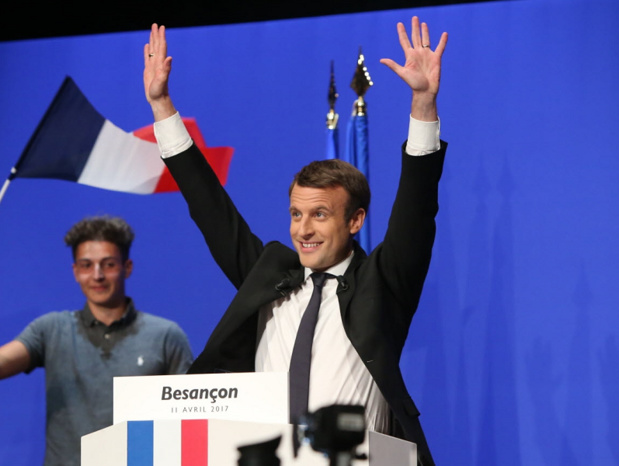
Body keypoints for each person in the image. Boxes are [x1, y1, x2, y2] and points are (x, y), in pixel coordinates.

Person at [144, 16, 447, 466]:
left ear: (355, 220)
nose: (303, 229)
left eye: (320, 215)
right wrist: (162, 106)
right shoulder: (270, 273)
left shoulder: (383, 283)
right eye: (296, 214)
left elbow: (417, 212)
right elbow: (210, 209)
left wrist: (423, 103)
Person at [0, 215, 193, 466]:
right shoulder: (51, 329)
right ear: (75, 272)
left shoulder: (165, 335)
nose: (97, 275)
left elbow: (192, 417)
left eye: (109, 264)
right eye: (86, 265)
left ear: (128, 267)